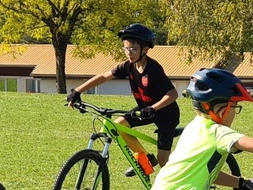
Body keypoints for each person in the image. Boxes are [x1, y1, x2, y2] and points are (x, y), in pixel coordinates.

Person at [66, 24, 179, 165]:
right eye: (126, 48)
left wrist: (153, 108)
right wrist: (78, 90)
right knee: (118, 125)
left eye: (133, 49)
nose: (129, 53)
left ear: (145, 50)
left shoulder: (153, 69)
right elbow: (104, 76)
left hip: (166, 115)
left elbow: (172, 94)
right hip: (145, 109)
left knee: (163, 161)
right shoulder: (128, 66)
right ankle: (146, 160)